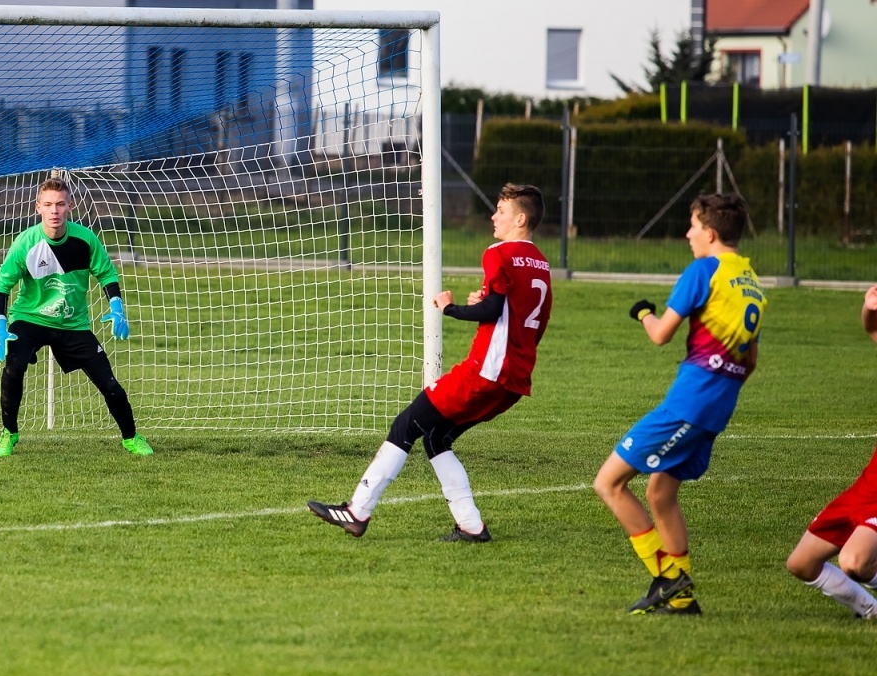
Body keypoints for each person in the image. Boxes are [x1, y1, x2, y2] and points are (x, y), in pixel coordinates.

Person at [308, 183, 552, 542]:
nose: (493, 217)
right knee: (436, 438)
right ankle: (471, 526)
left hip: (484, 372)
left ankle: (357, 511)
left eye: (501, 211)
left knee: (405, 425)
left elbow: (493, 308)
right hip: (514, 380)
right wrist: (486, 304)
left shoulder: (499, 253)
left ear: (520, 219)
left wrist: (450, 307)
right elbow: (522, 315)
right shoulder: (542, 263)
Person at [593, 192, 764, 616]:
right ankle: (683, 600)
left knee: (609, 484)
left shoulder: (703, 271)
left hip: (690, 404)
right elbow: (751, 360)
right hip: (716, 407)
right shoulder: (750, 280)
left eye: (693, 226)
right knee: (661, 493)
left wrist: (643, 313)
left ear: (710, 233)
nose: (688, 234)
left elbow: (660, 334)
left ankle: (669, 578)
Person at [0, 176, 151, 458]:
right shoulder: (26, 242)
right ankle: (9, 433)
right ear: (38, 207)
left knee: (110, 385)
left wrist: (116, 307)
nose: (54, 210)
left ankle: (131, 438)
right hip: (30, 319)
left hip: (73, 323)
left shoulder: (85, 239)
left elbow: (107, 273)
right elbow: (1, 285)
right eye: (48, 204)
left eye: (60, 204)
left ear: (70, 206)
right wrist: (0, 326)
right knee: (14, 367)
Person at [782, 285, 877, 620]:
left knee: (854, 561)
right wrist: (869, 305)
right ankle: (871, 611)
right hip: (866, 488)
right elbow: (872, 328)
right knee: (801, 563)